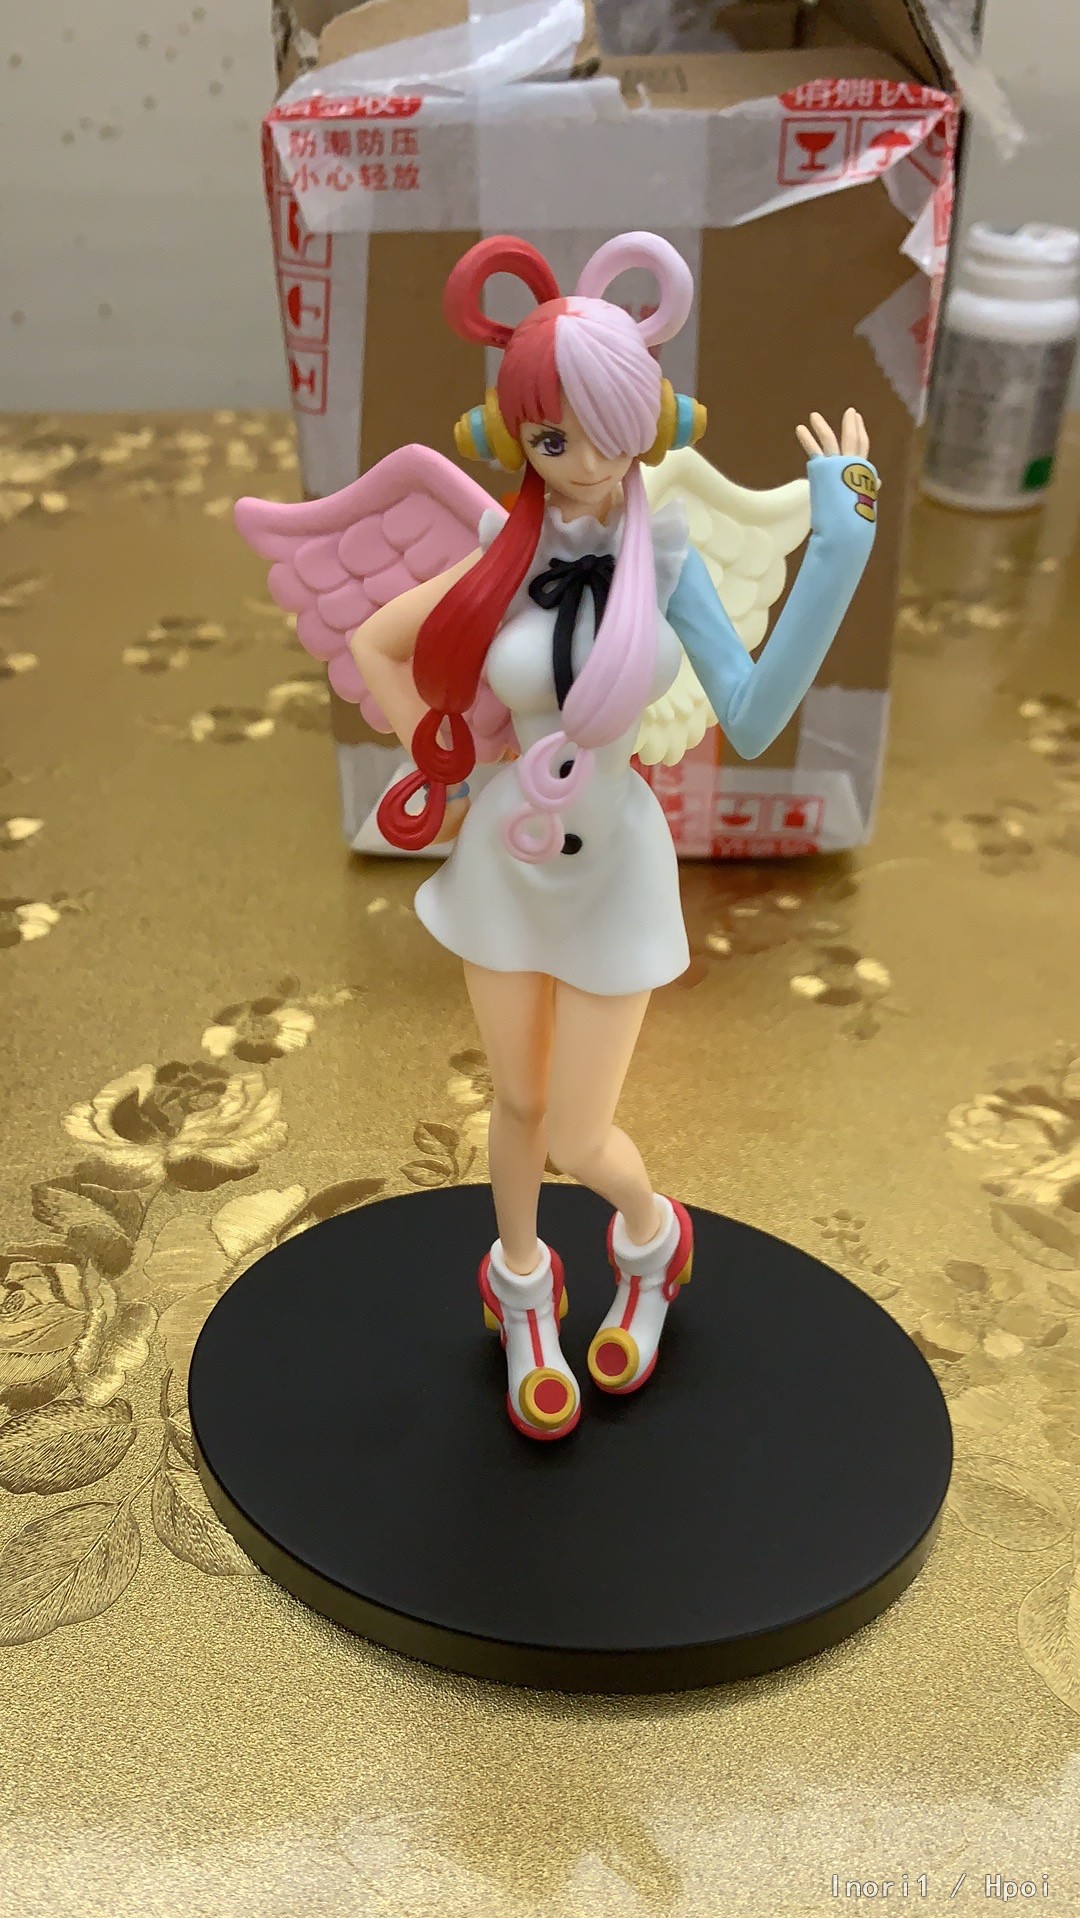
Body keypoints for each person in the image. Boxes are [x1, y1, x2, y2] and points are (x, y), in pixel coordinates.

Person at [349, 230, 878, 1443]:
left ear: (643, 421)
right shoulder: (504, 556)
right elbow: (381, 642)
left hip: (615, 869)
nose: (583, 461)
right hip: (507, 859)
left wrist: (837, 553)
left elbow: (753, 713)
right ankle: (519, 1282)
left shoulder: (668, 556)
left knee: (582, 1130)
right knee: (518, 1099)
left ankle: (650, 1238)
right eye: (552, 437)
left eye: (604, 430)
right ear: (519, 438)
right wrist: (440, 750)